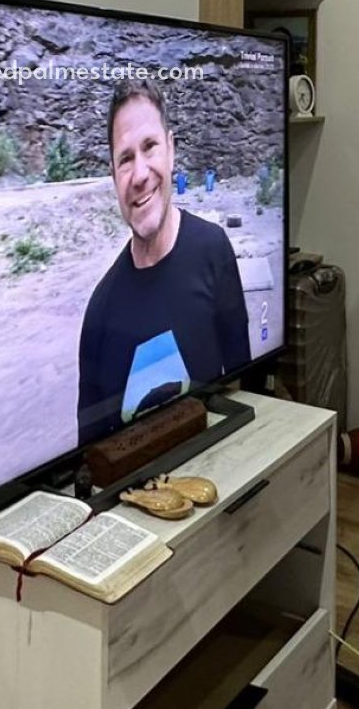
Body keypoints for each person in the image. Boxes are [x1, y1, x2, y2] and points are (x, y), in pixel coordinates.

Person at [76, 81, 250, 445]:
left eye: (150, 146)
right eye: (125, 159)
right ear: (113, 175)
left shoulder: (213, 250)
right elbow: (89, 457)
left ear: (171, 150)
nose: (140, 174)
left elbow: (244, 389)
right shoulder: (100, 313)